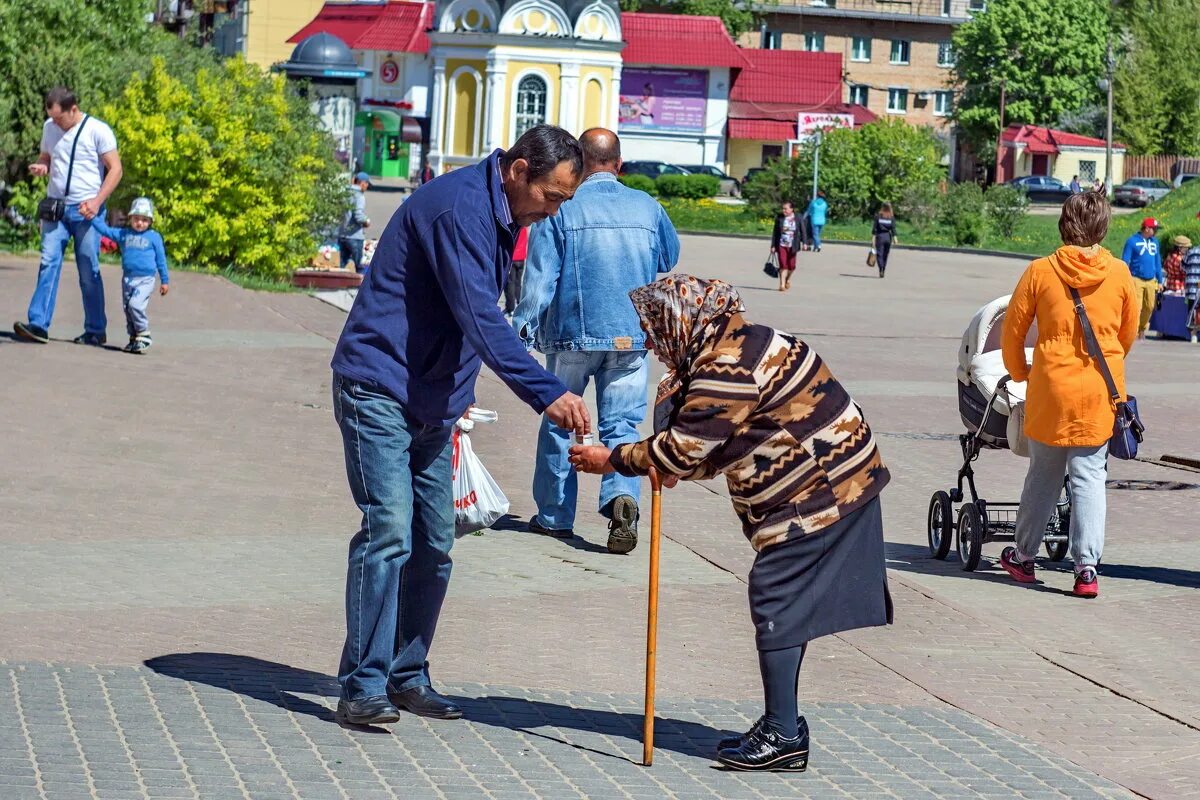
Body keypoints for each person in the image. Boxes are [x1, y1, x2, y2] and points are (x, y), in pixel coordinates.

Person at [570, 275, 891, 772]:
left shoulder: (727, 366)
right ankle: (783, 723)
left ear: (681, 321)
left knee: (776, 598)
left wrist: (614, 459)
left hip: (821, 491)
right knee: (785, 602)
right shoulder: (741, 340)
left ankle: (784, 733)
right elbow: (712, 439)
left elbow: (686, 445)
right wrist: (673, 463)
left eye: (654, 330)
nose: (652, 343)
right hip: (837, 481)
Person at [329, 124, 592, 726]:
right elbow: (480, 317)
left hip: (432, 403)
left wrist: (459, 397)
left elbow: (462, 319)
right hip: (380, 388)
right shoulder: (459, 209)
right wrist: (546, 392)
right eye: (552, 197)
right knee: (389, 532)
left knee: (435, 542)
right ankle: (362, 685)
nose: (552, 213)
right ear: (519, 170)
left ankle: (406, 674)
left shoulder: (504, 214)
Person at [514, 128, 679, 553]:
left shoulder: (563, 206)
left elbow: (540, 277)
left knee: (562, 421)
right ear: (619, 164)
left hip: (572, 335)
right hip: (632, 337)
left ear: (579, 164)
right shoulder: (648, 206)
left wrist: (521, 328)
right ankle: (622, 498)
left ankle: (553, 517)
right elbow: (667, 257)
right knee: (621, 426)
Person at [999, 191, 1137, 599]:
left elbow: (1013, 330)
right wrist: (1107, 360)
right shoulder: (1120, 273)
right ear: (1104, 226)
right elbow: (1127, 334)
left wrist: (1019, 371)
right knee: (1090, 477)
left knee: (1043, 475)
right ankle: (1086, 569)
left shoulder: (1041, 271)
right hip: (1099, 391)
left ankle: (1024, 558)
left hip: (1051, 388)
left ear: (1064, 223)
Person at [13, 87, 122, 346]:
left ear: (74, 109)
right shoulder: (49, 127)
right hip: (56, 208)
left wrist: (97, 203)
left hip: (86, 210)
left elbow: (115, 169)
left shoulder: (98, 130)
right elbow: (46, 155)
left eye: (60, 118)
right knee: (48, 262)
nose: (56, 123)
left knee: (88, 268)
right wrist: (43, 166)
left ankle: (95, 330)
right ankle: (38, 325)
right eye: (52, 118)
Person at [89, 197, 169, 354]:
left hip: (146, 279)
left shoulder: (154, 237)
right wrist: (92, 218)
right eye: (137, 219)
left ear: (150, 221)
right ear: (131, 218)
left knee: (135, 305)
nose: (140, 223)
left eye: (144, 220)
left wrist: (164, 280)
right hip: (127, 279)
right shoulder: (124, 234)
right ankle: (134, 337)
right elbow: (105, 230)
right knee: (128, 308)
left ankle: (144, 333)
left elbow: (161, 260)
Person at [1120, 217, 1165, 338]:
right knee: (1137, 307)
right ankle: (1133, 331)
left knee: (1149, 306)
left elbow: (1157, 262)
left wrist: (1160, 281)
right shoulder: (1132, 241)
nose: (1156, 231)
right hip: (1136, 279)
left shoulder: (1155, 242)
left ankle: (1142, 328)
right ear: (1146, 228)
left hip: (1151, 280)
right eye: (1154, 229)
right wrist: (1124, 278)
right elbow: (1125, 261)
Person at [337, 172, 371, 273]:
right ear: (362, 183)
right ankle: (359, 288)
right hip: (355, 237)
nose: (367, 186)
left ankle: (339, 286)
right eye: (367, 183)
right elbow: (358, 216)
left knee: (341, 267)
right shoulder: (359, 196)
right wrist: (366, 221)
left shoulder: (345, 193)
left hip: (342, 235)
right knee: (359, 267)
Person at [770, 201, 800, 291]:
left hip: (793, 245)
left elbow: (802, 230)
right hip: (781, 245)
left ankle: (787, 279)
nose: (784, 210)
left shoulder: (798, 218)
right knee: (783, 265)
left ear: (791, 209)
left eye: (786, 209)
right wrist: (773, 245)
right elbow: (775, 233)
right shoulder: (780, 218)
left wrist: (805, 242)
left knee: (791, 266)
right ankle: (782, 285)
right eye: (783, 209)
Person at [503, 227, 528, 317]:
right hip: (521, 258)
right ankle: (519, 303)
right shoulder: (524, 227)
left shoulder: (514, 227)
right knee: (518, 283)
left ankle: (510, 308)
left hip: (513, 258)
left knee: (510, 284)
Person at [871, 202, 897, 279]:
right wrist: (895, 238)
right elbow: (893, 228)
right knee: (885, 254)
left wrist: (873, 239)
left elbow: (874, 229)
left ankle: (881, 268)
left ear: (882, 207)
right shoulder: (891, 217)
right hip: (888, 237)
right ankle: (883, 268)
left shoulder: (878, 216)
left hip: (880, 236)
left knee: (879, 254)